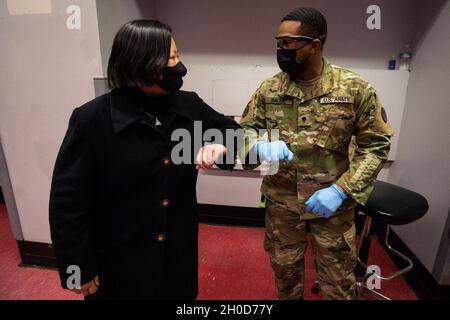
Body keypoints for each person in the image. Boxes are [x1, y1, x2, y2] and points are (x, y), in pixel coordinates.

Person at [49, 19, 240, 300]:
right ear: (145, 64)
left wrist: (222, 146)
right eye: (172, 58)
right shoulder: (92, 119)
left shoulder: (188, 105)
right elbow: (68, 202)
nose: (179, 65)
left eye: (178, 55)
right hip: (118, 261)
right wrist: (77, 269)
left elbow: (235, 132)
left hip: (177, 256)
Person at [239, 7, 393, 300]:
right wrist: (257, 144)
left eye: (288, 43)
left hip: (333, 207)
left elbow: (375, 146)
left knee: (338, 286)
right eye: (278, 42)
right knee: (286, 280)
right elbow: (244, 131)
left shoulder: (354, 89)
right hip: (282, 206)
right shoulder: (269, 89)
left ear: (315, 44)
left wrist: (341, 189)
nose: (280, 50)